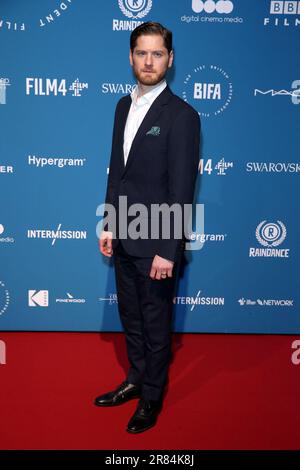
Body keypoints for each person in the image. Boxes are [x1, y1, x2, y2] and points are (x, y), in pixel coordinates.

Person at [95, 22, 200, 434]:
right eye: (142, 53)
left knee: (156, 326)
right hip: (123, 234)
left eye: (158, 54)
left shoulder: (183, 116)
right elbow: (117, 172)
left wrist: (167, 249)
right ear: (131, 57)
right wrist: (108, 223)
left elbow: (181, 189)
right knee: (131, 319)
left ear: (170, 60)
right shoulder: (123, 106)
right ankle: (136, 380)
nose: (149, 61)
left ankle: (153, 395)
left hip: (156, 241)